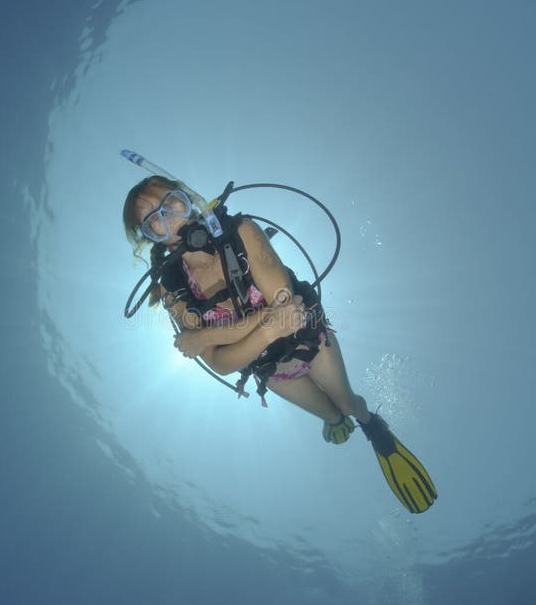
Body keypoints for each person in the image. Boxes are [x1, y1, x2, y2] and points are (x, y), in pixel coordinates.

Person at [122, 173, 437, 513]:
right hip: (271, 371)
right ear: (151, 238)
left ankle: (371, 424)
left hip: (308, 338)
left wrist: (207, 335)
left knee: (346, 402)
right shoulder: (171, 286)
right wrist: (267, 328)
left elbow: (287, 309)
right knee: (331, 415)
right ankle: (334, 421)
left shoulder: (241, 231)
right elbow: (222, 365)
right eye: (152, 220)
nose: (166, 216)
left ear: (187, 197)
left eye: (171, 201)